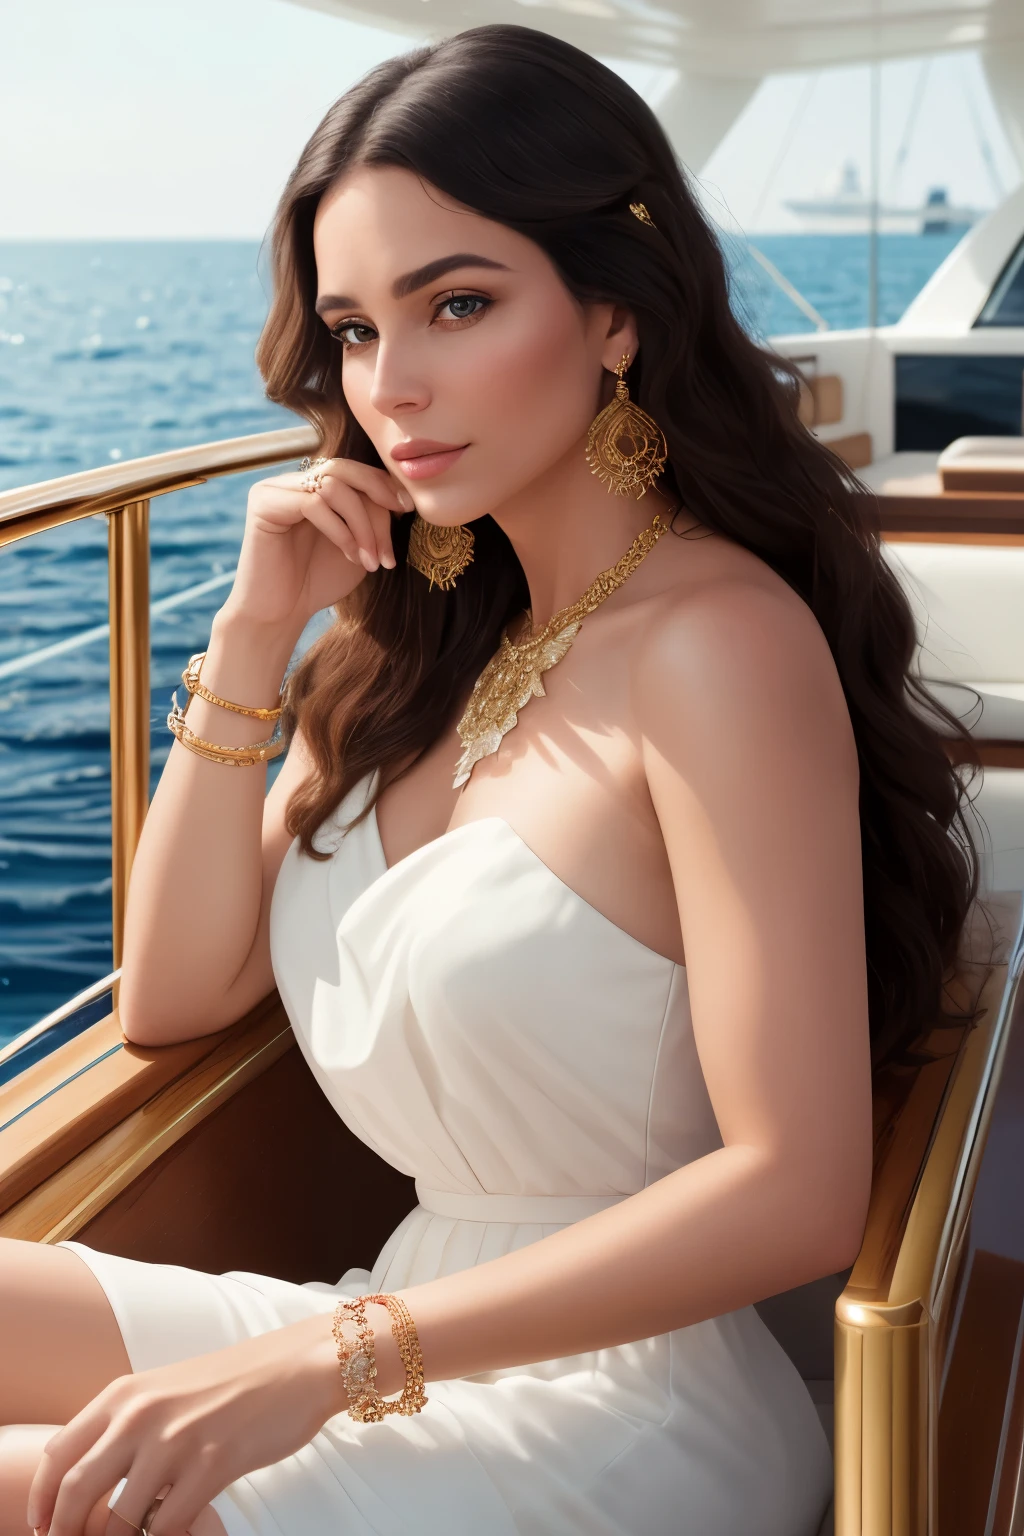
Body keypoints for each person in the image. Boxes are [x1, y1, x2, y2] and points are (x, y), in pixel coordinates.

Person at [0, 23, 978, 1536]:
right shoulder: (399, 660)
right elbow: (168, 998)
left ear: (613, 315)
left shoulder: (719, 644)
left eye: (456, 303)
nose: (393, 385)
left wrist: (325, 1365)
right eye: (355, 330)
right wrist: (256, 633)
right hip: (397, 1318)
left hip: (620, 1404)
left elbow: (801, 1188)